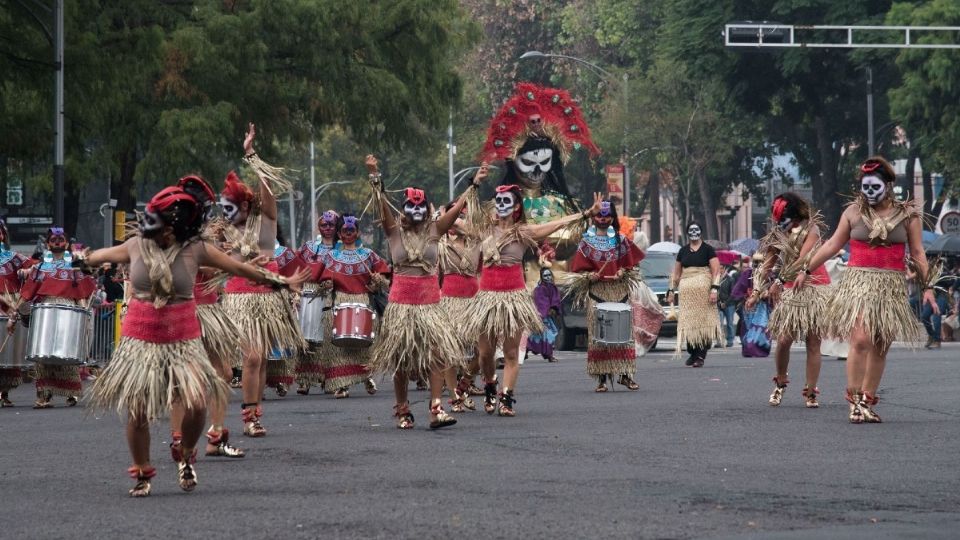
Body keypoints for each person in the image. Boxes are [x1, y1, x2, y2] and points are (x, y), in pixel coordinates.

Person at [84, 185, 308, 497]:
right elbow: (98, 255)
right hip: (140, 339)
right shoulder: (136, 245)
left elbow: (239, 267)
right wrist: (87, 259)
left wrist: (280, 281)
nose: (160, 235)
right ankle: (142, 471)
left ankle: (187, 452)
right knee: (137, 410)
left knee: (197, 403)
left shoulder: (196, 249)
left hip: (183, 338)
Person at [796, 156, 934, 423]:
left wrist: (927, 286)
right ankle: (855, 400)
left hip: (891, 287)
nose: (869, 192)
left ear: (888, 184)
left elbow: (918, 253)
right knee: (860, 339)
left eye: (874, 186)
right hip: (858, 284)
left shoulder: (908, 216)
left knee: (881, 345)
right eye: (865, 187)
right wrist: (806, 269)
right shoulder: (852, 213)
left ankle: (868, 400)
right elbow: (831, 245)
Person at [463, 184, 602, 416]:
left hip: (514, 299)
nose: (501, 205)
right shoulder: (484, 229)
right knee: (485, 353)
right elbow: (455, 224)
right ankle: (490, 384)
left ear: (516, 206)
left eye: (506, 201)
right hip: (486, 299)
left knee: (510, 353)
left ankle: (506, 398)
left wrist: (587, 213)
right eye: (498, 200)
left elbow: (558, 223)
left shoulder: (524, 232)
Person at [367, 155, 478, 429]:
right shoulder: (393, 231)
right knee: (402, 360)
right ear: (404, 209)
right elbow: (381, 205)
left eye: (420, 205)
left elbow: (458, 206)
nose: (416, 210)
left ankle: (436, 408)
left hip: (430, 304)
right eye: (410, 205)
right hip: (401, 305)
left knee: (438, 355)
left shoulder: (435, 230)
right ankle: (403, 409)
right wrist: (374, 176)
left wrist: (474, 185)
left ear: (427, 209)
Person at [219, 123, 306, 437]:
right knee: (252, 356)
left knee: (262, 358)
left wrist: (252, 156)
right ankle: (248, 417)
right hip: (239, 299)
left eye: (231, 206)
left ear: (244, 205)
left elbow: (268, 190)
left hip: (268, 297)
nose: (225, 213)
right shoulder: (226, 231)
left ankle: (256, 413)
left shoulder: (267, 221)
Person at [171, 174, 246, 459]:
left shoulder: (203, 233)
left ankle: (214, 436)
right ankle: (180, 439)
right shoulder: (176, 234)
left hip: (209, 310)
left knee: (223, 373)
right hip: (188, 310)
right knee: (184, 379)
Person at [750, 193, 830, 408]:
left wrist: (779, 280)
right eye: (778, 218)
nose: (781, 221)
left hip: (814, 286)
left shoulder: (811, 229)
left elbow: (804, 258)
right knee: (784, 339)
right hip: (788, 290)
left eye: (784, 216)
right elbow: (766, 264)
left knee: (814, 341)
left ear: (794, 213)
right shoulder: (778, 233)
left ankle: (811, 391)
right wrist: (756, 291)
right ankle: (780, 382)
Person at [12, 227, 96, 408]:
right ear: (48, 243)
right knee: (42, 354)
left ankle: (71, 392)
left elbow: (86, 288)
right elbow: (28, 292)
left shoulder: (75, 265)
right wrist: (17, 310)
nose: (57, 242)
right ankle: (44, 395)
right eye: (53, 239)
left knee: (68, 352)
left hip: (69, 308)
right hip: (45, 310)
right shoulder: (41, 267)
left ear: (66, 243)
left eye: (60, 239)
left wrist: (84, 311)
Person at [308, 212, 389, 399]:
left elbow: (384, 276)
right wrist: (326, 285)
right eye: (344, 230)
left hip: (363, 301)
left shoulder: (368, 255)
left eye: (352, 230)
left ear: (358, 233)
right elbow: (321, 279)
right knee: (339, 348)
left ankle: (365, 375)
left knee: (364, 346)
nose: (348, 233)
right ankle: (342, 385)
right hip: (340, 301)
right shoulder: (331, 257)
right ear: (339, 233)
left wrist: (378, 281)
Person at [568, 200, 645, 391]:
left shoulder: (621, 240)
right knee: (599, 337)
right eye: (600, 215)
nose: (603, 219)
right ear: (594, 218)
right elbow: (577, 272)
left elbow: (633, 266)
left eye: (607, 215)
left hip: (619, 292)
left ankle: (626, 375)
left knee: (624, 335)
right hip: (597, 294)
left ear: (612, 217)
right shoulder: (586, 242)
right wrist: (589, 276)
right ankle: (602, 379)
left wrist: (623, 272)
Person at [289, 210, 340, 395]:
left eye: (331, 225)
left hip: (332, 296)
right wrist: (294, 291)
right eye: (324, 225)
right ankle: (304, 379)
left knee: (329, 339)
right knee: (306, 340)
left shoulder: (341, 249)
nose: (327, 228)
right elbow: (295, 268)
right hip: (309, 294)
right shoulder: (308, 247)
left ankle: (329, 378)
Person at [438, 205, 483, 412]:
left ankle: (465, 384)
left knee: (483, 351)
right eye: (453, 216)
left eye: (461, 216)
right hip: (449, 301)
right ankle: (454, 395)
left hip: (475, 301)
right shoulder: (440, 243)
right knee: (450, 353)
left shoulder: (476, 240)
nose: (457, 221)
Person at [666, 222, 723, 367]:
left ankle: (700, 356)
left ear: (701, 232)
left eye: (696, 230)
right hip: (686, 294)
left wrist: (714, 289)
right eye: (691, 230)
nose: (694, 232)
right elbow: (677, 273)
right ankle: (693, 352)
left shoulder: (708, 249)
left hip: (704, 292)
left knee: (703, 323)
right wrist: (671, 290)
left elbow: (716, 270)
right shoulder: (683, 251)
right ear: (687, 233)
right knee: (689, 323)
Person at [0, 218, 31, 407]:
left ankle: (3, 391)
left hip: (10, 305)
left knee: (7, 352)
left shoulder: (14, 257)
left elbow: (35, 268)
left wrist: (28, 272)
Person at [525, 268, 562, 363]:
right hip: (542, 316)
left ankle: (547, 354)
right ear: (542, 277)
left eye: (549, 275)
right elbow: (542, 302)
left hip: (548, 316)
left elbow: (556, 300)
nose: (548, 277)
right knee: (546, 335)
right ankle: (548, 355)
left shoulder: (553, 287)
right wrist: (545, 312)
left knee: (544, 335)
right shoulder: (540, 289)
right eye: (545, 276)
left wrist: (554, 308)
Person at [920, 257, 953, 349]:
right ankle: (932, 336)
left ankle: (937, 340)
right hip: (932, 295)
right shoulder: (929, 272)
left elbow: (951, 281)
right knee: (924, 316)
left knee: (936, 316)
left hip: (942, 295)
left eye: (939, 263)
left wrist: (939, 276)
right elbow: (923, 283)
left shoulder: (945, 272)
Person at [717, 263, 739, 347]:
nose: (720, 270)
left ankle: (730, 341)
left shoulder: (730, 279)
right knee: (719, 323)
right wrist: (719, 303)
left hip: (729, 305)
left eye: (721, 268)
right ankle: (719, 341)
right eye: (718, 268)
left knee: (730, 323)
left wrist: (725, 303)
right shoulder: (716, 279)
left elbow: (732, 293)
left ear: (725, 269)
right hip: (719, 304)